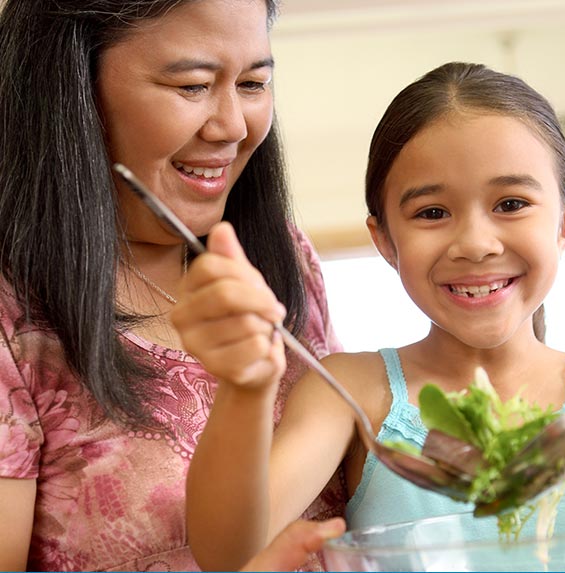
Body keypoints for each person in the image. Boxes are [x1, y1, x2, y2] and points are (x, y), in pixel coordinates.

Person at [178, 61, 565, 569]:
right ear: (384, 240)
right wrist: (246, 386)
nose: (476, 243)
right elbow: (230, 552)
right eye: (432, 212)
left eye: (511, 203)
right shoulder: (351, 392)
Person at [0, 0, 347, 571]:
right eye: (192, 85)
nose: (233, 126)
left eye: (254, 82)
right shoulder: (15, 316)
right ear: (70, 87)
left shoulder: (287, 258)